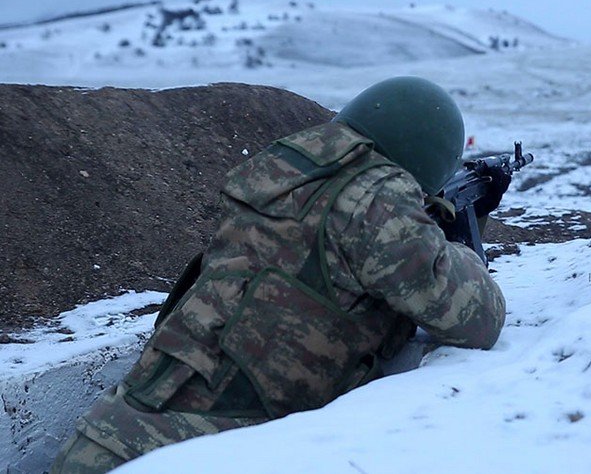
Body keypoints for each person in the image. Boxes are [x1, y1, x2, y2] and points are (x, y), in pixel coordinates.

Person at [50, 76, 507, 473]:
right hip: (179, 455)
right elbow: (478, 319)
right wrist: (453, 234)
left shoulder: (284, 176)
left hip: (105, 435)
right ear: (427, 157)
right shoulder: (377, 203)